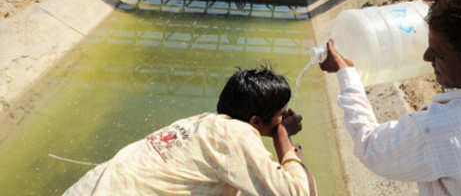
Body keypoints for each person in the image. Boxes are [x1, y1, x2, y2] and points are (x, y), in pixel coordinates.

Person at [320, 0, 461, 195]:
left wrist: (346, 74)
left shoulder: (442, 129)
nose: (426, 57)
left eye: (439, 54)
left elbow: (370, 146)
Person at [63, 65, 316, 195]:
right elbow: (298, 193)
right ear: (256, 122)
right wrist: (282, 134)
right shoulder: (237, 135)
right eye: (281, 114)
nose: (284, 118)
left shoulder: (202, 122)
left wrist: (277, 122)